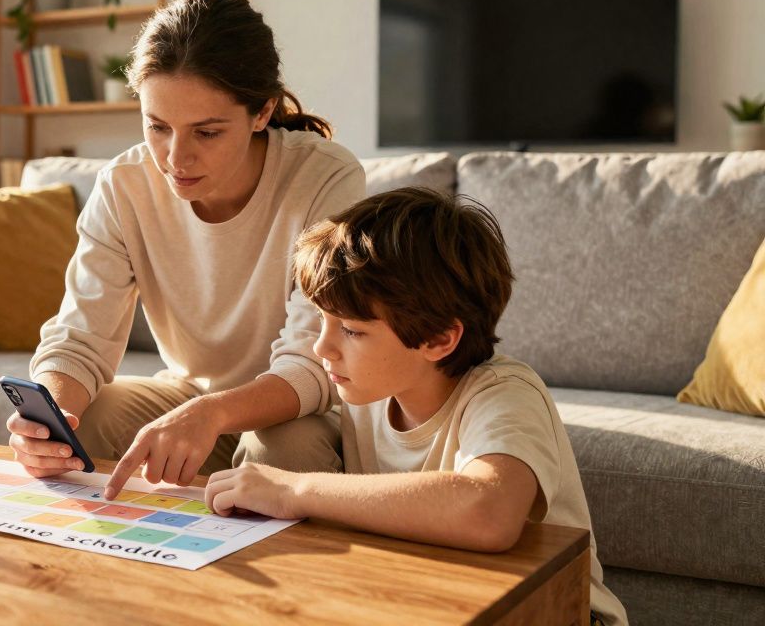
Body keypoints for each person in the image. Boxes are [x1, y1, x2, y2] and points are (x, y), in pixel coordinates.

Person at [204, 187, 627, 626]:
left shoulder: (503, 392)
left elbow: (489, 512)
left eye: (351, 331)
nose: (322, 347)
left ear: (440, 338)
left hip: (556, 612)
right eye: (322, 320)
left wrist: (293, 490)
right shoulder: (369, 388)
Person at [6, 0, 364, 499]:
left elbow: (317, 363)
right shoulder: (124, 185)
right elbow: (80, 337)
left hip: (296, 411)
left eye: (207, 133)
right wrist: (51, 417)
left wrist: (210, 413)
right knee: (81, 425)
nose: (176, 158)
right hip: (190, 396)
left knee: (280, 453)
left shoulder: (325, 178)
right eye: (158, 127)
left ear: (261, 112)